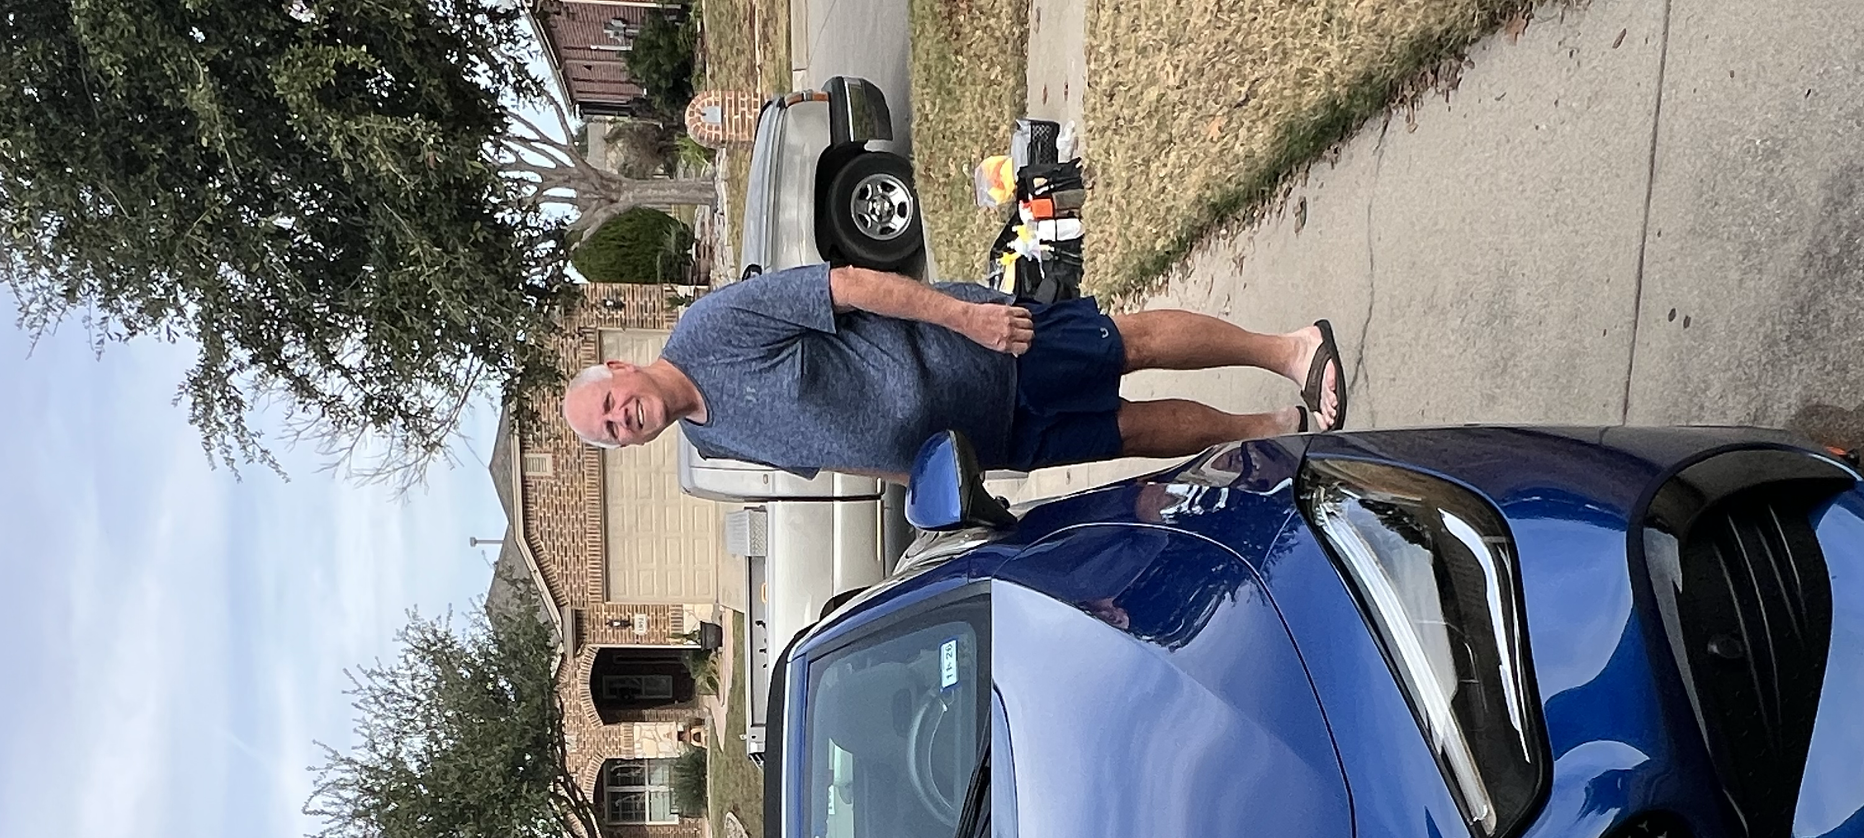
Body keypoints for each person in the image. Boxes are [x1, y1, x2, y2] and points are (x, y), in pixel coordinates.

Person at [559, 263, 1346, 481]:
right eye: (612, 434)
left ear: (621, 368)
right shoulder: (711, 444)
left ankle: (1289, 350)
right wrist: (932, 481)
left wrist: (966, 315)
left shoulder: (710, 328)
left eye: (612, 406)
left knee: (1124, 346)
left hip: (977, 352)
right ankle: (1274, 433)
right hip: (977, 443)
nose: (623, 422)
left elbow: (849, 285)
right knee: (1126, 430)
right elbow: (832, 451)